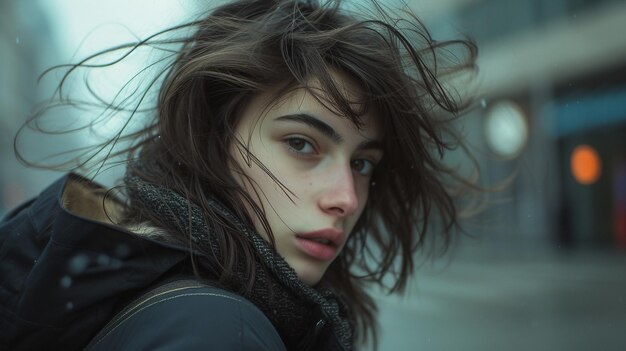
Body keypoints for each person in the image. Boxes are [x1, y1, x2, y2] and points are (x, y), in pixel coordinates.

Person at [0, 0, 477, 350]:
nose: (346, 198)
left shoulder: (168, 292)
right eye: (302, 145)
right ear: (213, 139)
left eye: (362, 163)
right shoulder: (221, 331)